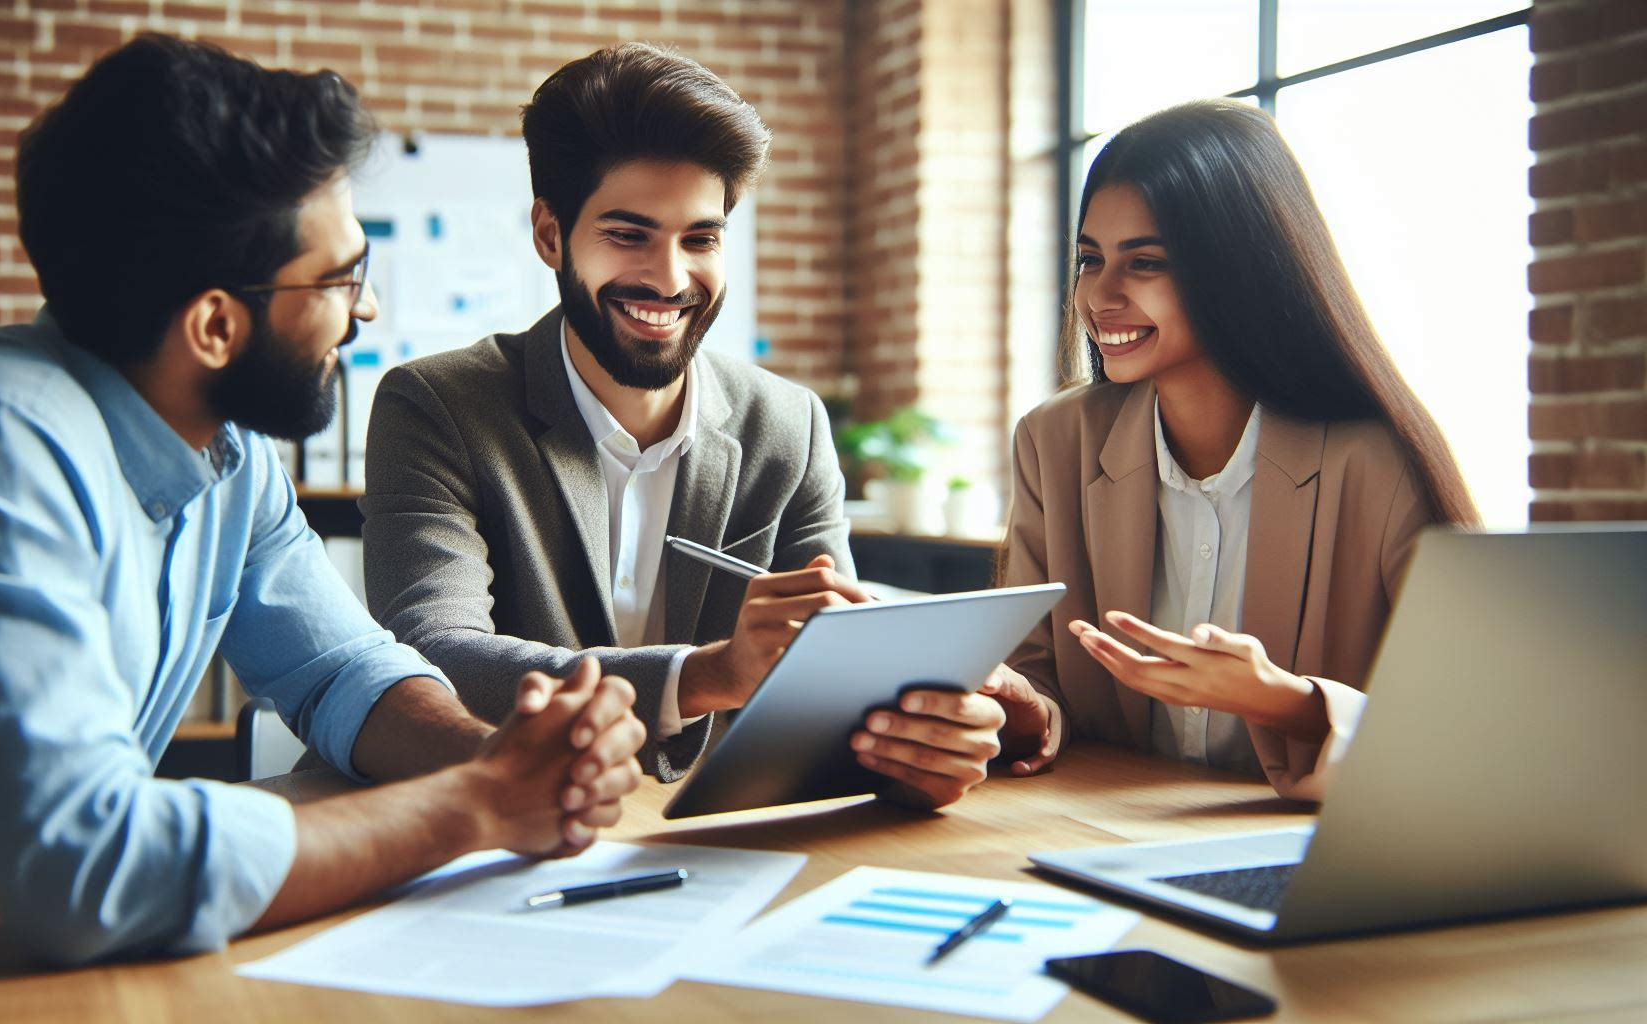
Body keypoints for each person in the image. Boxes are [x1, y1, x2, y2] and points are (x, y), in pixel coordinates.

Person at [0, 35, 645, 1024]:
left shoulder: (225, 450)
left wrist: (503, 756)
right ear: (216, 327)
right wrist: (475, 806)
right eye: (339, 281)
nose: (363, 312)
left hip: (62, 982)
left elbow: (340, 673)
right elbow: (85, 866)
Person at [361, 43, 1003, 807]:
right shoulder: (436, 405)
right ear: (550, 236)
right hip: (511, 827)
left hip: (714, 832)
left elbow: (826, 676)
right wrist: (705, 675)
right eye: (628, 234)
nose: (669, 279)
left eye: (700, 238)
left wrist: (920, 746)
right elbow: (433, 657)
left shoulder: (787, 425)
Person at [980, 99, 1478, 801]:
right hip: (1101, 828)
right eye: (1090, 260)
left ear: (1240, 269)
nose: (1101, 296)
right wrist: (1016, 705)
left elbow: (1474, 720)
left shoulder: (1374, 462)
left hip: (1307, 848)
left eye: (1145, 262)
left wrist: (1284, 699)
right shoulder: (1056, 440)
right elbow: (1035, 675)